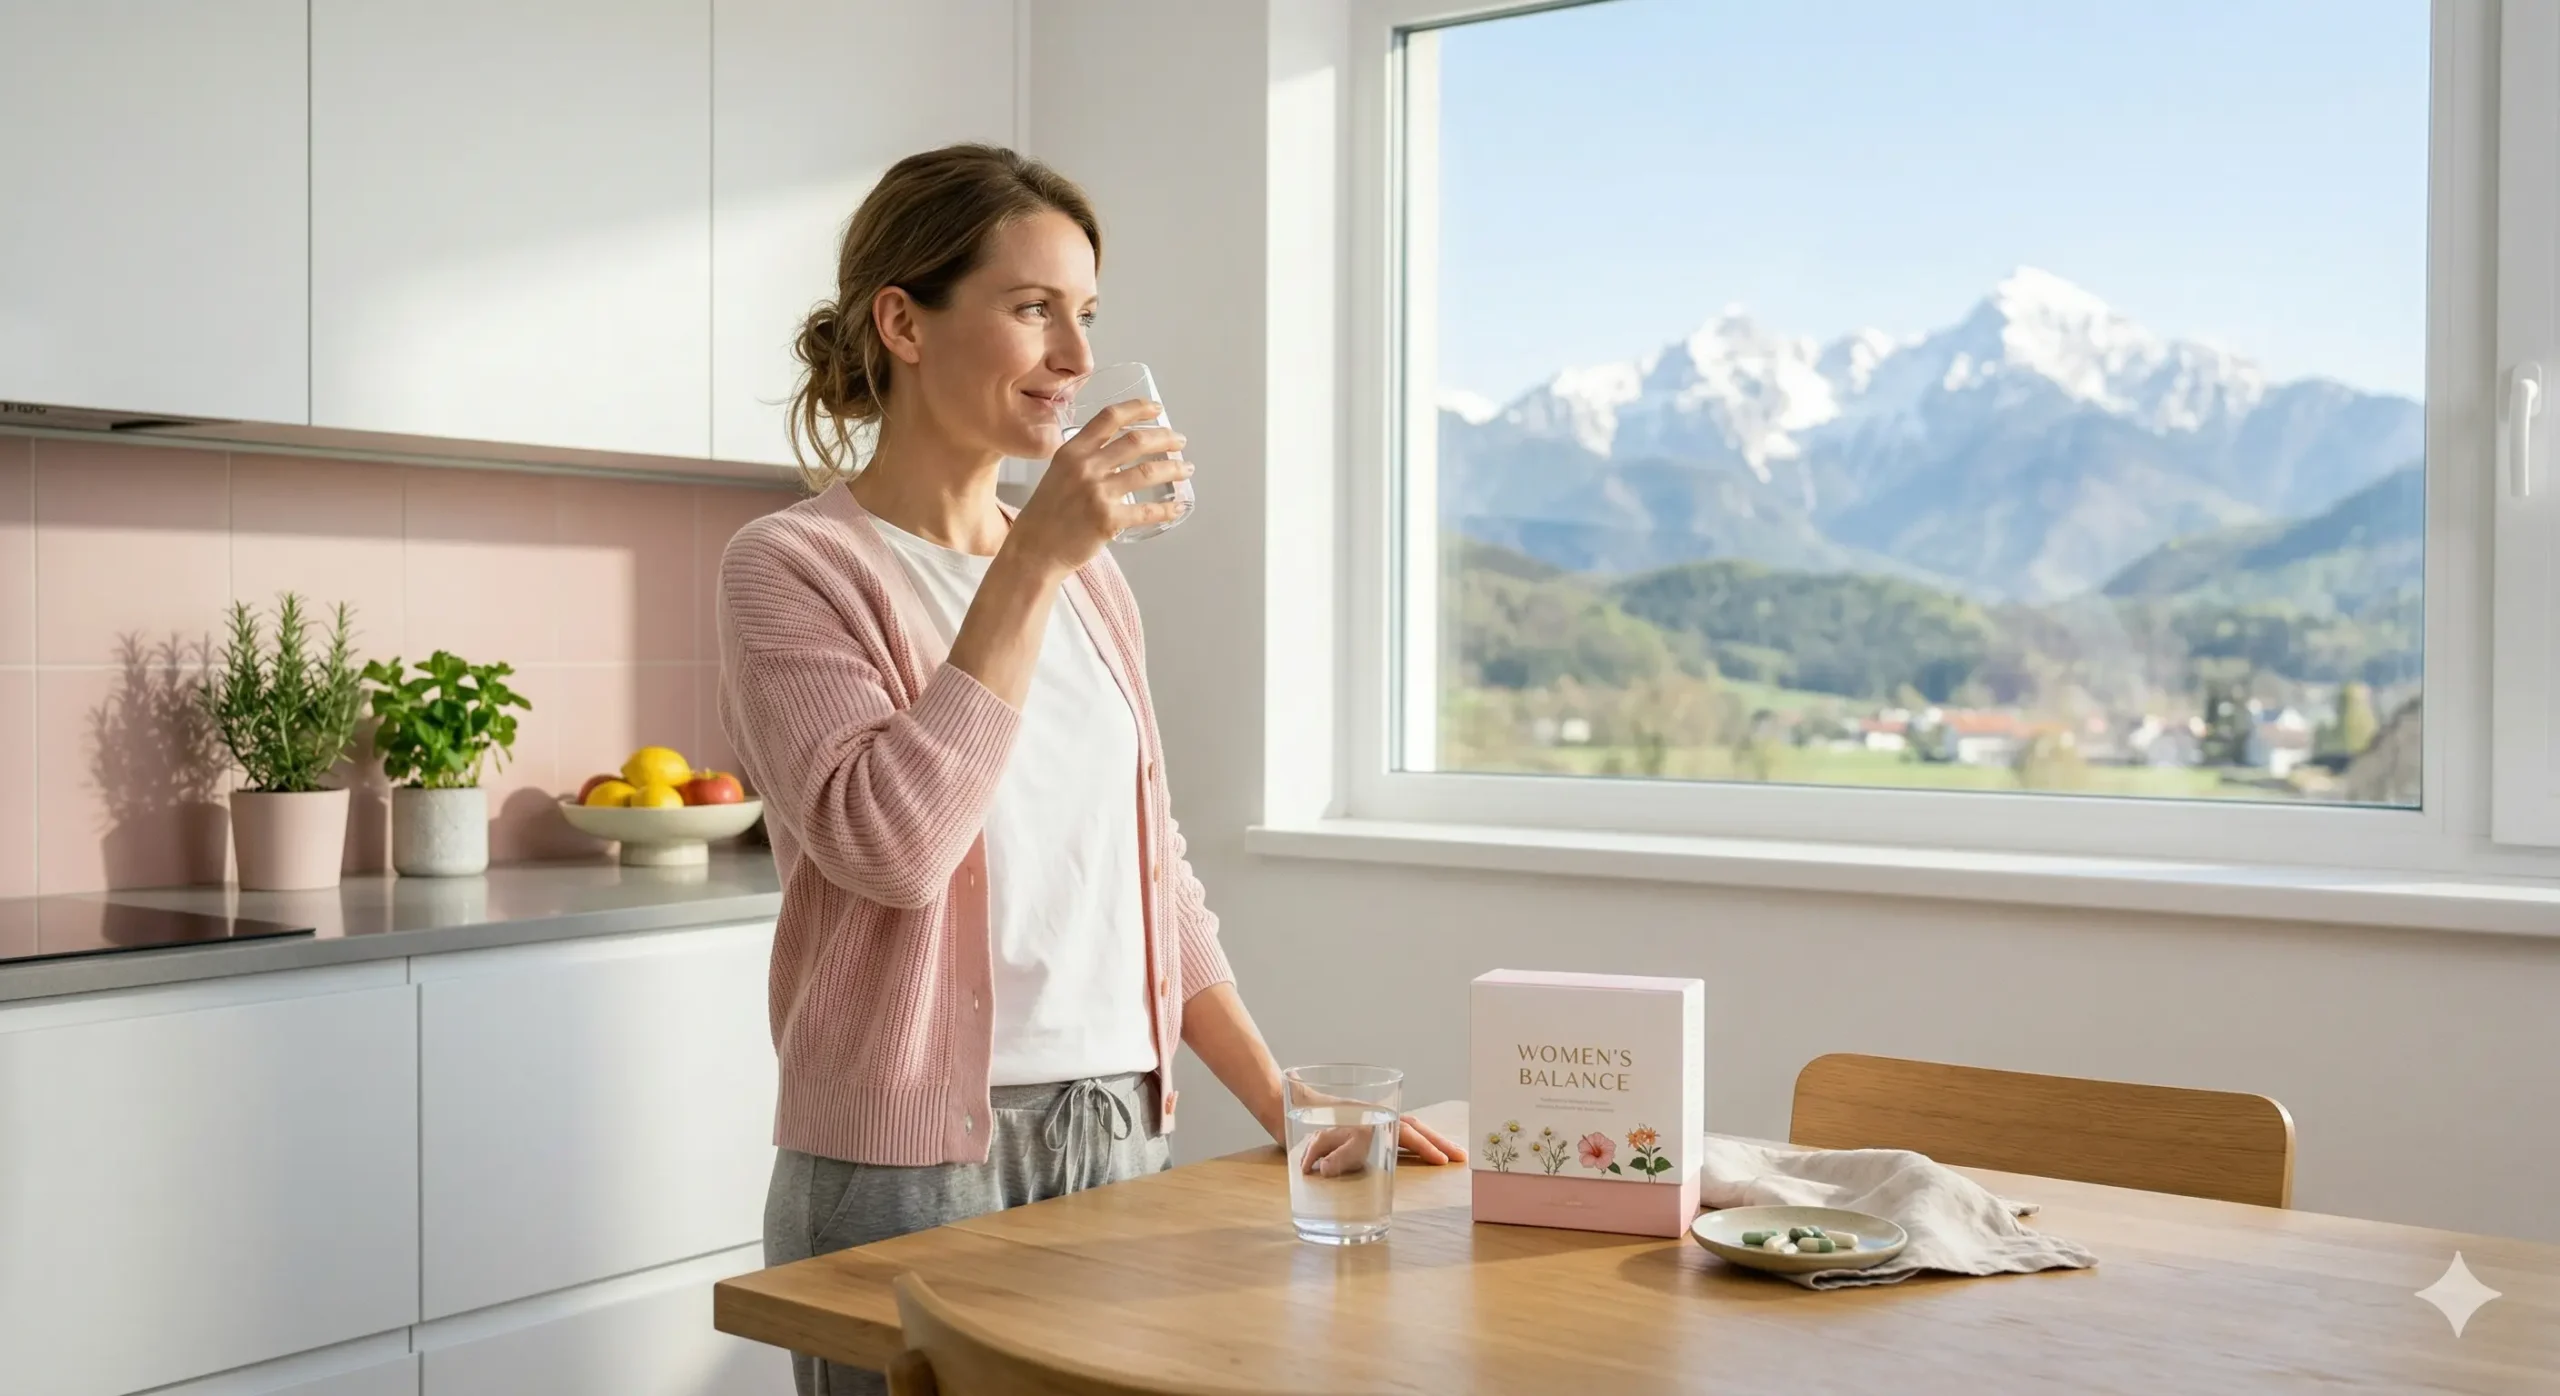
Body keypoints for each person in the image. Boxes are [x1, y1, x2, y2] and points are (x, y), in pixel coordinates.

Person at [716, 143, 1465, 1394]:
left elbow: (1146, 869)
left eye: (1088, 316)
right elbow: (890, 850)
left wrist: (1277, 1100)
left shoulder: (1092, 580)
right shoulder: (793, 566)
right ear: (903, 320)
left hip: (1118, 1131)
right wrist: (1030, 563)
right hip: (906, 1164)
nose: (1073, 356)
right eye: (1031, 309)